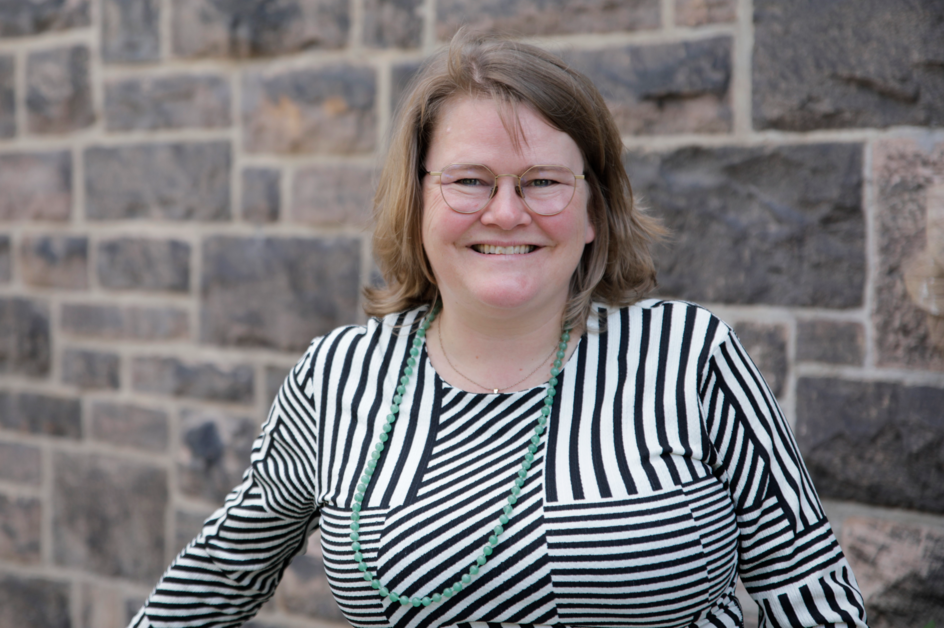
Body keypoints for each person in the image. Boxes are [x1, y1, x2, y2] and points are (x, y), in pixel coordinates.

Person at [130, 32, 867, 628]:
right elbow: (217, 576)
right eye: (469, 180)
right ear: (417, 201)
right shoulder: (338, 378)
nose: (507, 213)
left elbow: (812, 596)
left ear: (593, 210)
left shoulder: (687, 358)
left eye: (542, 181)